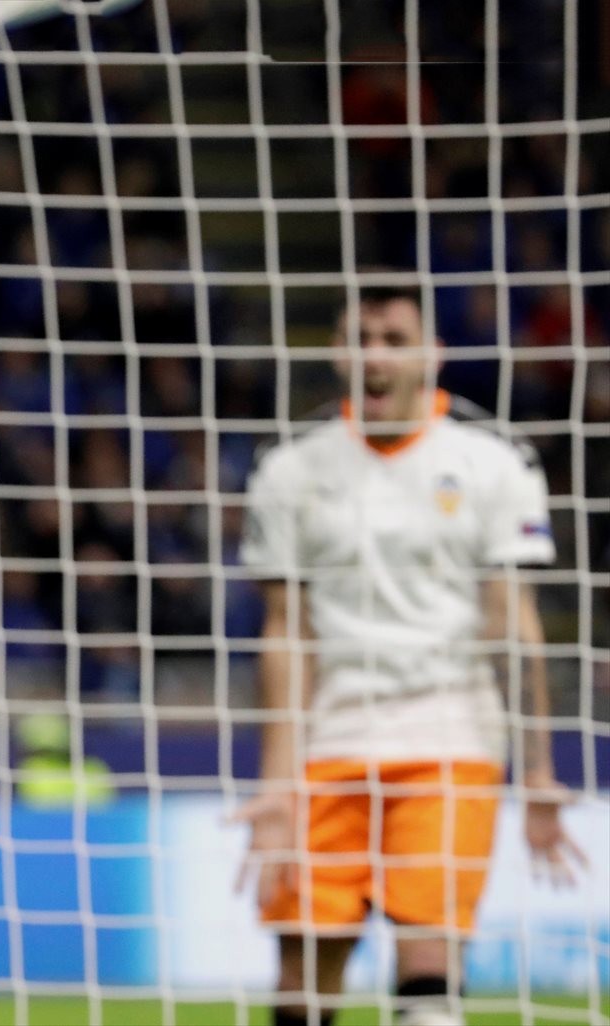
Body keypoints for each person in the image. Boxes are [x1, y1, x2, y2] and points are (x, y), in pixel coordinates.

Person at [234, 283, 585, 1026]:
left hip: (451, 736)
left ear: (433, 351)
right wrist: (275, 781)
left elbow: (511, 623)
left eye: (395, 338)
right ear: (337, 351)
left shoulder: (493, 462)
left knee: (428, 968)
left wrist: (541, 769)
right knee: (302, 977)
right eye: (361, 337)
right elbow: (283, 630)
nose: (376, 355)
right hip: (330, 742)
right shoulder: (291, 468)